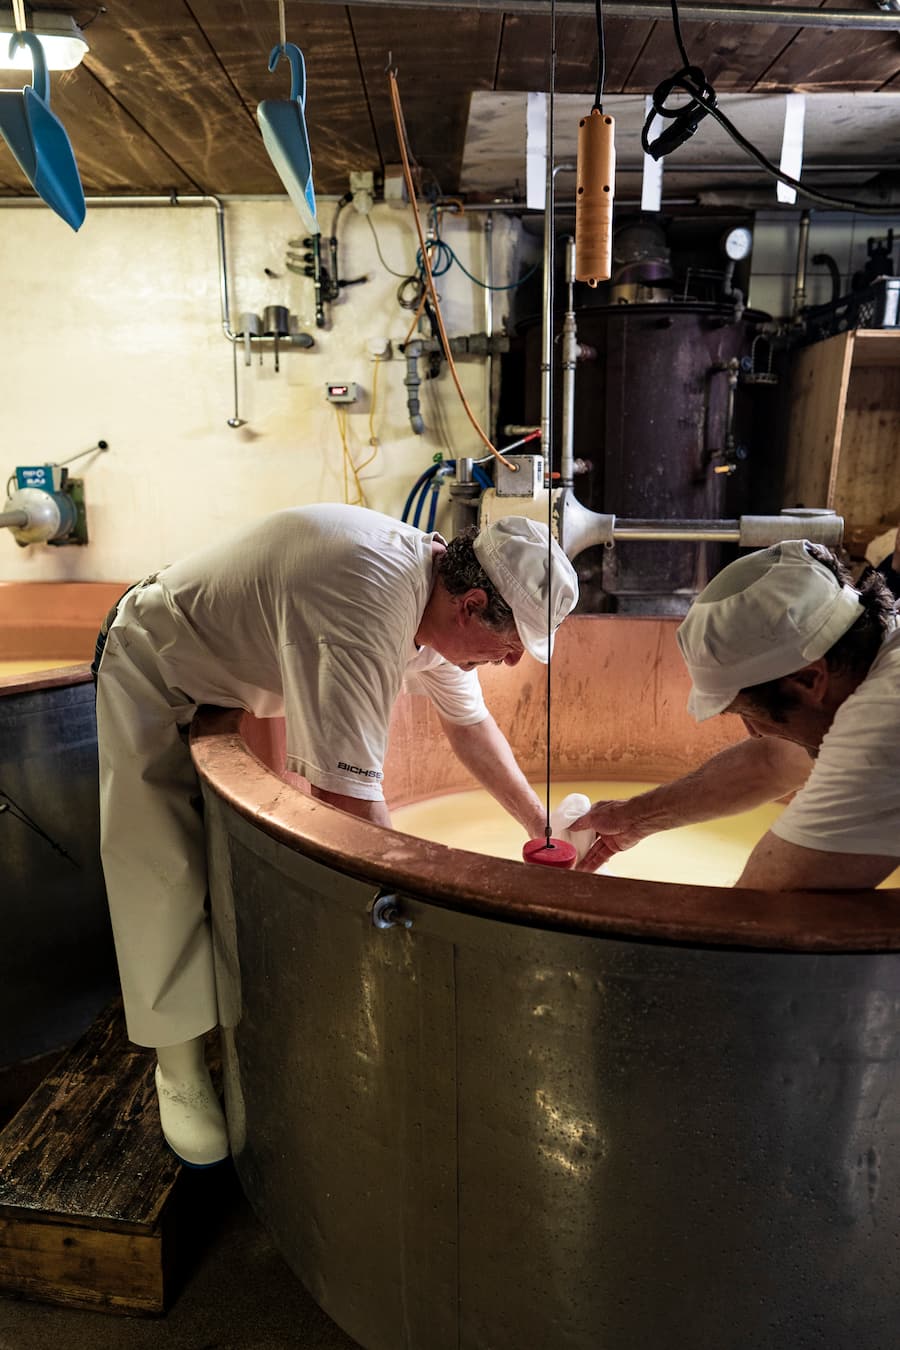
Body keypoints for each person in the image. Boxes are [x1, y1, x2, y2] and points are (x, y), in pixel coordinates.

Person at [94, 504, 578, 1166]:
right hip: (158, 660)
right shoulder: (365, 601)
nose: (512, 658)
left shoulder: (434, 600)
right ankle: (176, 1067)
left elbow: (470, 727)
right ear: (470, 605)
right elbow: (348, 810)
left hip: (227, 671)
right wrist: (431, 930)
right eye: (513, 643)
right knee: (159, 864)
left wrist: (540, 826)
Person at [572, 538, 899, 890]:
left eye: (750, 713)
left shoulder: (881, 721)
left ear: (809, 680)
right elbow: (771, 764)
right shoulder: (872, 658)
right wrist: (633, 819)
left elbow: (763, 910)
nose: (754, 732)